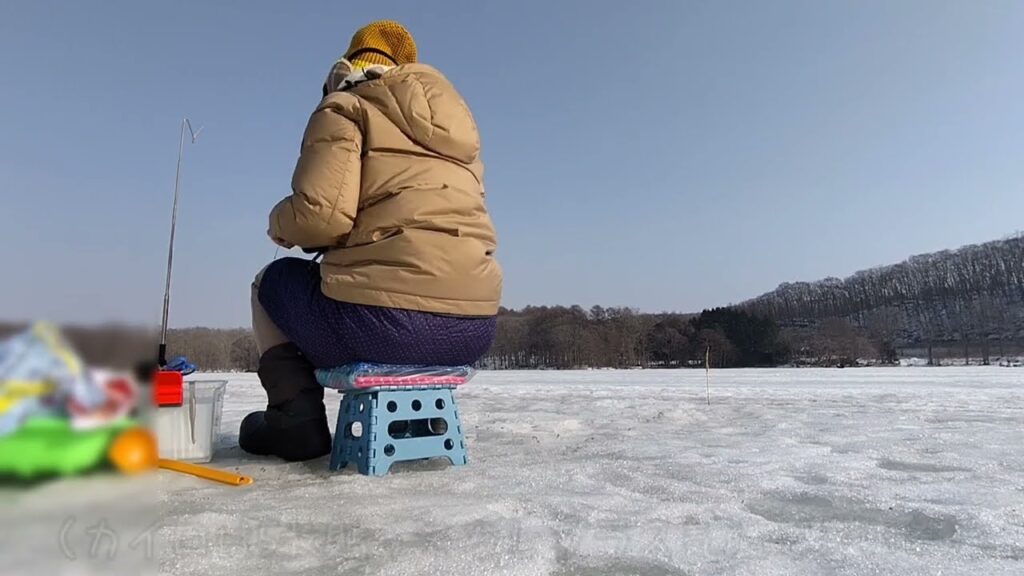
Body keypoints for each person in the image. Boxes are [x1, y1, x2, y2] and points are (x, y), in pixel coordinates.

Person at [239, 20, 502, 461]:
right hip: (472, 328)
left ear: (347, 69)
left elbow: (320, 216)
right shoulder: (462, 141)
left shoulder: (346, 107)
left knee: (271, 281)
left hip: (386, 326)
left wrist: (279, 224)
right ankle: (421, 420)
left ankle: (295, 418)